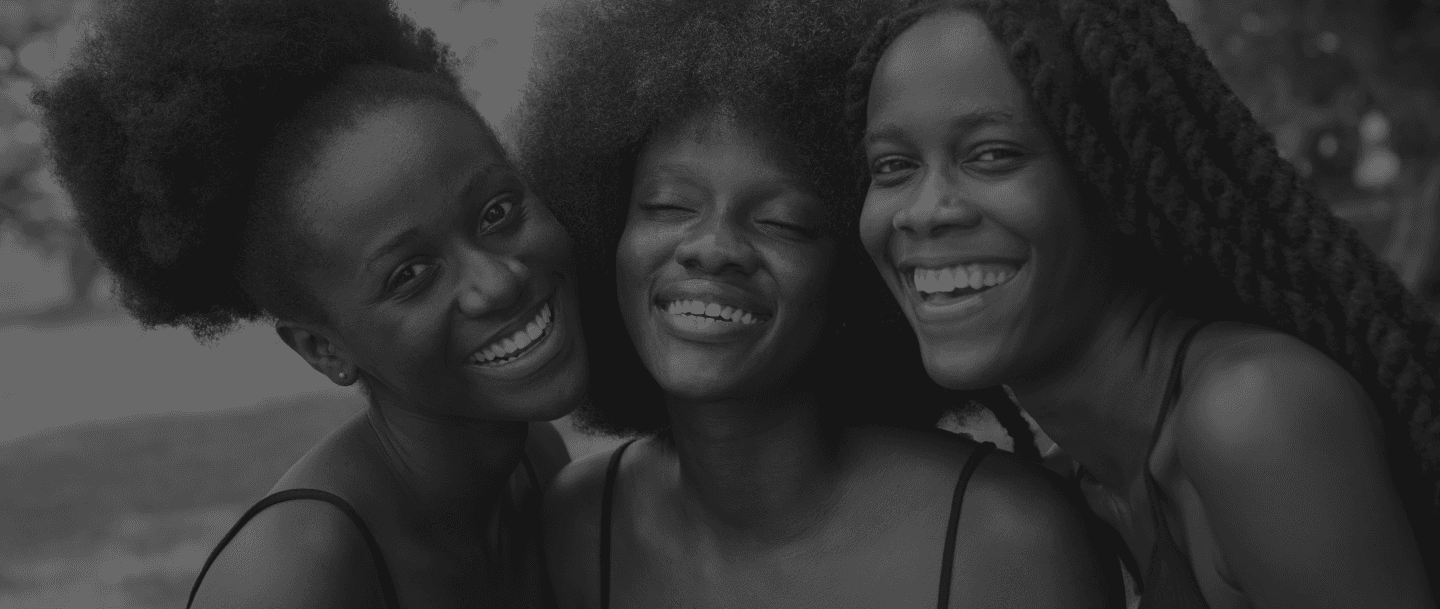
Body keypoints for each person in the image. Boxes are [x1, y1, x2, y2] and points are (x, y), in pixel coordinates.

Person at [518, 0, 1123, 607]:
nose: (712, 248)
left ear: (854, 274)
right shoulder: (580, 521)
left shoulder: (1007, 542)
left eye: (783, 222)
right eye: (668, 206)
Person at [846, 1, 1440, 607]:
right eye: (893, 166)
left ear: (1115, 172)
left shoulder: (1253, 413)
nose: (922, 211)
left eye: (992, 154)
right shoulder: (1083, 480)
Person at [33, 0, 589, 606]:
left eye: (496, 212)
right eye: (409, 275)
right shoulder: (295, 576)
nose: (498, 282)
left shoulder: (535, 458)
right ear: (322, 349)